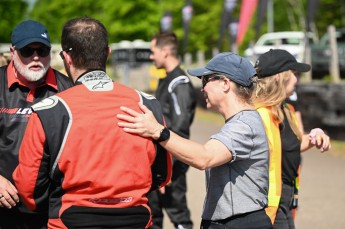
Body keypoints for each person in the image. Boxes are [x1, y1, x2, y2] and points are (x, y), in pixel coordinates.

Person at [13, 17, 172, 229]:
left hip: (70, 220)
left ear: (66, 58)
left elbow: (29, 189)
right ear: (107, 53)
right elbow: (162, 174)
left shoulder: (48, 111)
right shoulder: (148, 103)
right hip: (136, 218)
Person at [117, 52, 273, 229]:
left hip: (240, 222)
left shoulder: (246, 124)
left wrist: (157, 131)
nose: (202, 88)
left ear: (225, 83)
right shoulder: (239, 122)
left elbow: (205, 157)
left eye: (206, 80)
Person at [0, 20, 73, 228]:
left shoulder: (67, 90)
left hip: (51, 209)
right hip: (4, 207)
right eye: (27, 51)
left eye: (42, 50)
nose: (35, 57)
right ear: (13, 52)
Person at [252, 49, 331, 229]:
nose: (297, 79)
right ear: (280, 77)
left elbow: (290, 146)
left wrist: (313, 137)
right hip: (269, 200)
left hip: (287, 195)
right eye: (294, 74)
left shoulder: (286, 109)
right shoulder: (259, 114)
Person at [149, 31, 196, 229]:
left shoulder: (179, 83)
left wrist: (168, 167)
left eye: (153, 51)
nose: (151, 56)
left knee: (178, 215)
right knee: (153, 215)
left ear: (165, 51)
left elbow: (181, 128)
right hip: (157, 162)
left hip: (171, 164)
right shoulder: (166, 80)